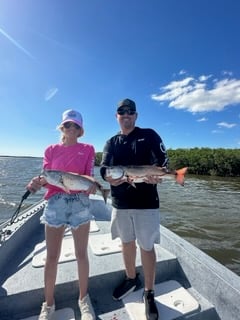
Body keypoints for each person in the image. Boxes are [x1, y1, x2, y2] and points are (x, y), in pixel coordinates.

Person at [100, 98, 169, 320]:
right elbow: (104, 169)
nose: (126, 115)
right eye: (122, 112)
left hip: (146, 203)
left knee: (146, 247)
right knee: (126, 243)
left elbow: (163, 162)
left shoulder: (149, 135)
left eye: (130, 112)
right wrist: (110, 178)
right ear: (117, 116)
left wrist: (159, 176)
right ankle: (131, 278)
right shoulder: (111, 142)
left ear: (136, 116)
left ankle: (149, 293)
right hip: (120, 204)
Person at [27, 109, 96, 320]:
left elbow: (89, 176)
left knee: (81, 254)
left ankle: (84, 300)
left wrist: (92, 185)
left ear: (81, 129)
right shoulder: (50, 150)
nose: (71, 129)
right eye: (68, 125)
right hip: (55, 203)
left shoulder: (89, 149)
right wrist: (36, 183)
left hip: (80, 203)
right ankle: (48, 304)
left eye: (75, 125)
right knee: (52, 257)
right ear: (62, 127)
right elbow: (46, 177)